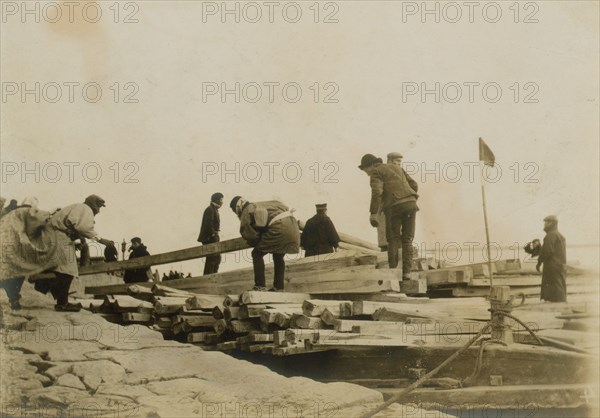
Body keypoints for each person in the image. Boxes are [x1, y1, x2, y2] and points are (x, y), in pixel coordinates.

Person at [1, 195, 116, 311]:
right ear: (93, 204)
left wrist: (77, 237)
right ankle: (62, 303)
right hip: (58, 238)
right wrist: (102, 240)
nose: (99, 210)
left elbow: (73, 225)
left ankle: (57, 300)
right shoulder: (85, 208)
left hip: (55, 237)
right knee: (67, 271)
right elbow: (84, 227)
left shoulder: (78, 207)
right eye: (99, 207)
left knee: (61, 270)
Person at [359, 153, 419, 280]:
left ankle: (393, 274)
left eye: (366, 171)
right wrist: (407, 198)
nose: (367, 174)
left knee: (392, 239)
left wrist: (373, 213)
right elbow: (414, 185)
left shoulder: (376, 172)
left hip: (395, 206)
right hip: (411, 204)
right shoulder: (397, 168)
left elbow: (377, 192)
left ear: (370, 166)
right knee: (408, 240)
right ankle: (406, 273)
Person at [230, 196, 300, 291]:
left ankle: (260, 285)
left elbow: (248, 234)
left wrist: (256, 241)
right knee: (278, 255)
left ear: (238, 207)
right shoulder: (263, 204)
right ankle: (279, 287)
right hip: (292, 227)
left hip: (279, 228)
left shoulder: (247, 209)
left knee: (256, 254)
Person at [536, 215, 567, 302]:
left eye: (547, 222)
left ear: (551, 223)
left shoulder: (550, 235)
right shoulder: (560, 236)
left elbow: (547, 251)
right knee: (559, 285)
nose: (544, 224)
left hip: (552, 266)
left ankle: (560, 305)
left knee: (555, 286)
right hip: (560, 265)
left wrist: (539, 262)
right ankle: (561, 304)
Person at [198, 192, 223, 275]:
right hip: (210, 238)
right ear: (216, 200)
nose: (222, 202)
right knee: (212, 258)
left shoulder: (213, 209)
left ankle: (213, 276)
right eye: (221, 200)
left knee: (216, 258)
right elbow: (208, 224)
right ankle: (209, 277)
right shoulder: (210, 209)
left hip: (213, 237)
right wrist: (213, 235)